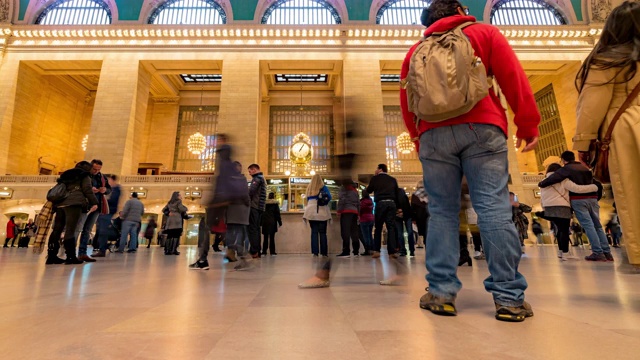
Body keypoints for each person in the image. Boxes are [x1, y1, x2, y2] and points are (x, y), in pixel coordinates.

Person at [401, 0, 540, 321]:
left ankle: (441, 292)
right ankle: (509, 298)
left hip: (433, 135)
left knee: (442, 213)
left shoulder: (415, 51)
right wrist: (527, 123)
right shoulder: (484, 33)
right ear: (461, 10)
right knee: (492, 207)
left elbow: (406, 99)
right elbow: (512, 77)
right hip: (483, 126)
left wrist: (418, 136)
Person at [573, 1, 640, 269]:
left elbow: (592, 106)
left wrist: (584, 142)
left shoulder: (609, 58)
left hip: (628, 132)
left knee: (634, 198)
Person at [539, 151, 611, 262]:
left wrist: (541, 184)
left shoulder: (565, 170)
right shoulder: (585, 168)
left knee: (588, 226)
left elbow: (551, 179)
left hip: (578, 200)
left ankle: (598, 252)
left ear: (563, 160)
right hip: (592, 199)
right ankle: (607, 252)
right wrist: (596, 194)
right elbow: (596, 181)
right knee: (598, 225)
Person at [536, 163, 597, 260]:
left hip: (549, 207)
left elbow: (542, 198)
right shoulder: (563, 180)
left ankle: (561, 251)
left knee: (560, 229)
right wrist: (594, 187)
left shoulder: (543, 181)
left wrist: (544, 208)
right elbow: (577, 188)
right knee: (564, 230)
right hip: (562, 207)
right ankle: (566, 252)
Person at [45, 161, 99, 264]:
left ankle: (51, 256)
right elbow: (87, 190)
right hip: (74, 205)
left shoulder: (66, 174)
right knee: (70, 230)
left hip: (60, 204)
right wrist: (94, 202)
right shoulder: (84, 176)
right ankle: (70, 257)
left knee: (57, 230)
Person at [76, 159, 111, 262]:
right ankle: (70, 253)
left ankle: (82, 253)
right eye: (94, 169)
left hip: (96, 205)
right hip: (85, 205)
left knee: (87, 230)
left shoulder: (102, 177)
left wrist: (105, 190)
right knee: (78, 228)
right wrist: (89, 189)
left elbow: (109, 189)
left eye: (98, 169)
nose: (96, 171)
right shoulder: (84, 175)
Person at [366, 164, 399, 259]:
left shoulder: (375, 179)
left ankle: (377, 251)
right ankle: (392, 252)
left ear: (380, 169)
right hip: (391, 203)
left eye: (376, 168)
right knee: (391, 227)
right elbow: (396, 193)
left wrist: (374, 178)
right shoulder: (393, 179)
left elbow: (369, 190)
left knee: (378, 227)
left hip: (380, 204)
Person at [303, 174, 332, 257]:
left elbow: (307, 199)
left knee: (314, 232)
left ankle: (315, 252)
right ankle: (324, 253)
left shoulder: (309, 188)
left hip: (311, 212)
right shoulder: (323, 187)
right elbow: (329, 197)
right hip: (322, 212)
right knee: (323, 233)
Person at [92, 174, 121, 257]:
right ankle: (100, 248)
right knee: (100, 231)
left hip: (107, 212)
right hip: (103, 211)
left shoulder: (115, 189)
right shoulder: (114, 189)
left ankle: (102, 249)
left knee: (102, 231)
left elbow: (112, 200)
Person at [337, 179, 360, 257]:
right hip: (355, 212)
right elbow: (358, 203)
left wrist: (339, 210)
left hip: (346, 212)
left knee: (345, 232)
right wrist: (358, 213)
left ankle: (346, 251)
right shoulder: (355, 190)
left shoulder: (343, 189)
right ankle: (356, 251)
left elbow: (342, 200)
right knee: (354, 232)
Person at [247, 164, 267, 258]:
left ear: (254, 170)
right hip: (260, 207)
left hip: (254, 206)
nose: (249, 173)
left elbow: (251, 191)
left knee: (253, 229)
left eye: (250, 171)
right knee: (257, 229)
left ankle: (254, 251)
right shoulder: (262, 178)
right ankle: (257, 251)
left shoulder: (257, 179)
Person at [162, 191, 188, 256]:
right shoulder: (179, 202)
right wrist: (186, 208)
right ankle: (174, 250)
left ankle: (167, 250)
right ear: (177, 196)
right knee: (176, 235)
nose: (180, 196)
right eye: (179, 195)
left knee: (170, 235)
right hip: (177, 220)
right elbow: (181, 208)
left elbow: (163, 210)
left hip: (170, 220)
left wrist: (168, 213)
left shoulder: (169, 202)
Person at [395, 187, 415, 257]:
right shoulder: (405, 198)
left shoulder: (394, 198)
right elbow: (409, 208)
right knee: (410, 232)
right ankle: (412, 250)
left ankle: (403, 250)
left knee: (400, 234)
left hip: (397, 217)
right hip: (407, 215)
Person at [411, 181, 429, 250]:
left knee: (424, 233)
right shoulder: (429, 193)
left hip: (420, 217)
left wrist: (413, 219)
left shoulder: (415, 195)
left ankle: (427, 248)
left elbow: (412, 208)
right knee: (429, 234)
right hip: (429, 215)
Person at [359, 191, 375, 256]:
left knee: (365, 236)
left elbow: (360, 210)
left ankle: (367, 250)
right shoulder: (371, 201)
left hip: (364, 219)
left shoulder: (362, 202)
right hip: (371, 218)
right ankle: (372, 249)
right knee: (370, 235)